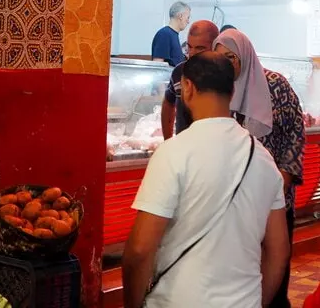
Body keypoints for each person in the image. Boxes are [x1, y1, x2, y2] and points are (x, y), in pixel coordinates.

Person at [122, 52, 292, 308]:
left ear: (187, 87)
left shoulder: (173, 152)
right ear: (232, 91)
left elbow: (140, 250)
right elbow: (279, 251)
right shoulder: (264, 159)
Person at [213, 28, 305, 308]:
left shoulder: (276, 85)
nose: (228, 64)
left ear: (245, 56)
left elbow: (295, 132)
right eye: (221, 57)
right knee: (240, 269)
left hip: (274, 194)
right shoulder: (218, 90)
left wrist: (285, 176)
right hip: (233, 199)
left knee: (275, 262)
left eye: (232, 56)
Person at [160, 20, 219, 140]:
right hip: (183, 146)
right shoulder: (179, 72)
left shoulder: (223, 74)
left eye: (200, 48)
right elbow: (168, 103)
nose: (192, 53)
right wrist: (168, 141)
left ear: (215, 46)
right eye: (189, 46)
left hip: (212, 149)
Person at [151, 1, 190, 66]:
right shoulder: (164, 34)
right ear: (180, 16)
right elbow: (157, 65)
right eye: (188, 17)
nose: (188, 21)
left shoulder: (173, 35)